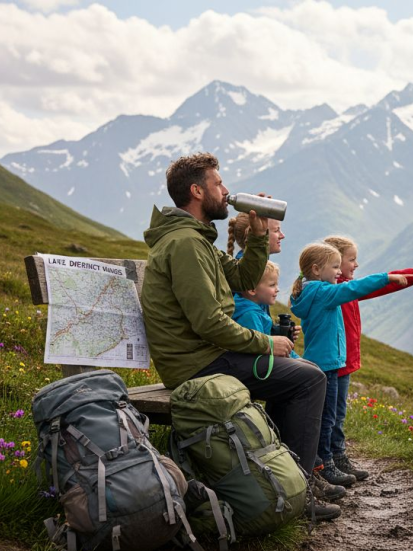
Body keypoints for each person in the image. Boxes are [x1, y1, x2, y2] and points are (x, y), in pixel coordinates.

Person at [140, 152, 340, 520]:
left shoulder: (197, 241)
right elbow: (208, 322)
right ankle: (298, 492)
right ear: (198, 191)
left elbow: (246, 279)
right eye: (219, 183)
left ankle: (285, 484)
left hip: (208, 356)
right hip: (197, 365)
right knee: (308, 379)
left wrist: (260, 233)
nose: (227, 191)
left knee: (297, 375)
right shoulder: (185, 244)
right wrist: (266, 343)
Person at [289, 243, 408, 487]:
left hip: (318, 362)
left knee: (324, 417)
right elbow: (355, 287)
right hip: (329, 366)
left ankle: (324, 462)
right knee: (328, 418)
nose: (338, 273)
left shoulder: (308, 292)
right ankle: (326, 466)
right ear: (316, 269)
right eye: (334, 267)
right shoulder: (324, 293)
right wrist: (387, 277)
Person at [322, 235, 413, 480]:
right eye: (351, 260)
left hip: (345, 361)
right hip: (336, 362)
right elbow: (374, 282)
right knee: (333, 414)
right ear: (333, 261)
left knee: (337, 413)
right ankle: (331, 460)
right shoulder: (338, 291)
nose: (356, 264)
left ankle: (336, 457)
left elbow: (381, 285)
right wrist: (412, 275)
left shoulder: (345, 288)